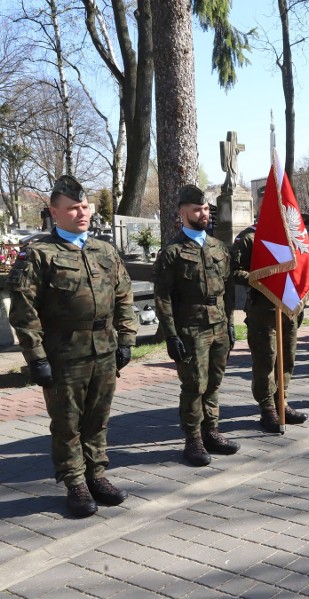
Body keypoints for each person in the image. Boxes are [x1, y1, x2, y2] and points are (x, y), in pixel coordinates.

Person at [8, 175, 137, 518]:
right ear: (54, 212)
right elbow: (25, 312)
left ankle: (96, 474)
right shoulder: (39, 254)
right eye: (72, 208)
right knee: (67, 423)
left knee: (98, 418)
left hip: (104, 349)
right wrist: (36, 358)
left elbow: (124, 298)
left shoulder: (104, 251)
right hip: (64, 353)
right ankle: (75, 483)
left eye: (84, 206)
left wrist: (126, 339)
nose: (82, 213)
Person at [154, 185, 238, 467]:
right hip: (191, 328)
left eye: (205, 209)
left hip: (218, 325)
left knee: (214, 382)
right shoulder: (173, 251)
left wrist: (230, 325)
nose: (203, 214)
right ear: (182, 212)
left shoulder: (218, 247)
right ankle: (193, 439)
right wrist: (171, 335)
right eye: (197, 209)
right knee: (194, 385)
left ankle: (211, 430)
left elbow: (227, 289)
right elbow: (163, 297)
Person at [231, 217, 308, 431]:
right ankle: (267, 409)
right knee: (266, 360)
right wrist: (265, 278)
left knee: (287, 359)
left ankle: (281, 401)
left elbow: (303, 269)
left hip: (288, 307)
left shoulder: (293, 235)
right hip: (262, 311)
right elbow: (233, 270)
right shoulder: (249, 237)